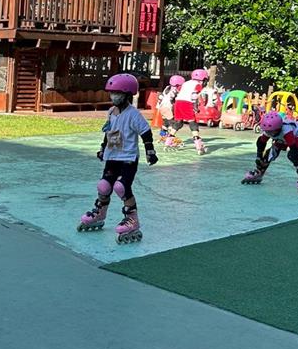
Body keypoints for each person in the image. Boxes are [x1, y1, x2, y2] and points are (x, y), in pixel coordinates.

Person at [77, 73, 158, 243]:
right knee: (104, 186)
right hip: (112, 156)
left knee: (121, 187)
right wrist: (102, 148)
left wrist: (150, 151)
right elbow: (109, 132)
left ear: (127, 95)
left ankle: (132, 220)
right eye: (112, 93)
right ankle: (100, 213)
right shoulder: (111, 112)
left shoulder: (133, 114)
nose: (114, 96)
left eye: (118, 93)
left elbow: (145, 131)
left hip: (128, 157)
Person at [241, 110, 298, 195]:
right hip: (282, 137)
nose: (269, 133)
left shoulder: (286, 131)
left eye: (271, 132)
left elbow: (293, 149)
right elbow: (261, 143)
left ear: (278, 129)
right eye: (267, 131)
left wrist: (294, 154)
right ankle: (259, 172)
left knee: (293, 155)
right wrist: (259, 156)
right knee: (270, 153)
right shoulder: (270, 129)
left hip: (297, 135)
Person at [172, 67, 210, 154]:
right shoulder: (198, 85)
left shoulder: (186, 83)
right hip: (187, 103)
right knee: (192, 122)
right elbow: (194, 95)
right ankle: (198, 145)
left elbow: (179, 92)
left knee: (178, 122)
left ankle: (169, 141)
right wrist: (195, 106)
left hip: (178, 102)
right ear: (202, 79)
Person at [157, 74, 185, 150]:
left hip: (161, 107)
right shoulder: (175, 90)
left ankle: (163, 136)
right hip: (168, 108)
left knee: (165, 122)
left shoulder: (167, 87)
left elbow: (161, 97)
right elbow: (174, 100)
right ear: (178, 85)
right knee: (176, 123)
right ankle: (170, 140)